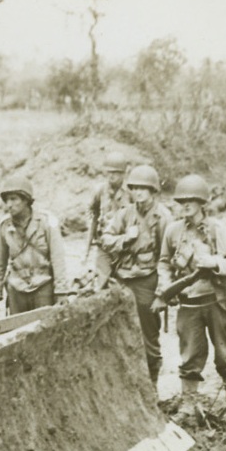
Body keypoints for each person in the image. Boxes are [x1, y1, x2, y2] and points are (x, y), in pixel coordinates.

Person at [152, 173, 226, 414]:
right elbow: (163, 262)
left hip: (216, 300)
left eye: (191, 201)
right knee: (190, 355)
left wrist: (213, 263)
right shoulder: (173, 231)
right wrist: (165, 285)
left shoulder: (217, 229)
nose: (185, 205)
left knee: (225, 354)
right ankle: (189, 402)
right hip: (188, 303)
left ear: (202, 202)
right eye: (181, 201)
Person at [100, 164, 172, 389]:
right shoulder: (124, 214)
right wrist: (125, 239)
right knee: (119, 333)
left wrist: (163, 291)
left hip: (147, 280)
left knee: (148, 337)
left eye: (144, 189)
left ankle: (151, 386)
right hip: (123, 279)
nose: (138, 193)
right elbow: (106, 239)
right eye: (135, 188)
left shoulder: (163, 217)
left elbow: (166, 255)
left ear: (152, 191)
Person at [0, 175, 67, 315]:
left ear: (26, 200)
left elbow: (58, 258)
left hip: (43, 286)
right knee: (16, 332)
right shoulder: (4, 226)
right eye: (6, 200)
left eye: (14, 199)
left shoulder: (46, 221)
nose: (9, 204)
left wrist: (61, 291)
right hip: (16, 289)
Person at [86, 150, 130, 281]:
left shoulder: (130, 192)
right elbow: (92, 212)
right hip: (104, 245)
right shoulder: (99, 190)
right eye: (109, 172)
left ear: (123, 174)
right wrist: (88, 244)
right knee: (101, 281)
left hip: (123, 246)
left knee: (123, 281)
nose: (112, 176)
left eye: (116, 173)